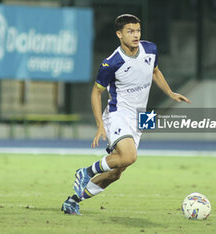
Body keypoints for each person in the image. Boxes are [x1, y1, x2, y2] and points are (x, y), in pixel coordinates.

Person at [61, 14, 190, 215]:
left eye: (138, 30)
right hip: (118, 114)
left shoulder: (150, 49)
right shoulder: (111, 63)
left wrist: (170, 93)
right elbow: (96, 92)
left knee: (116, 173)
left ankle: (73, 200)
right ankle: (85, 172)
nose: (136, 35)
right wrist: (100, 125)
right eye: (130, 31)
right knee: (129, 156)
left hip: (140, 117)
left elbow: (155, 71)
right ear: (119, 34)